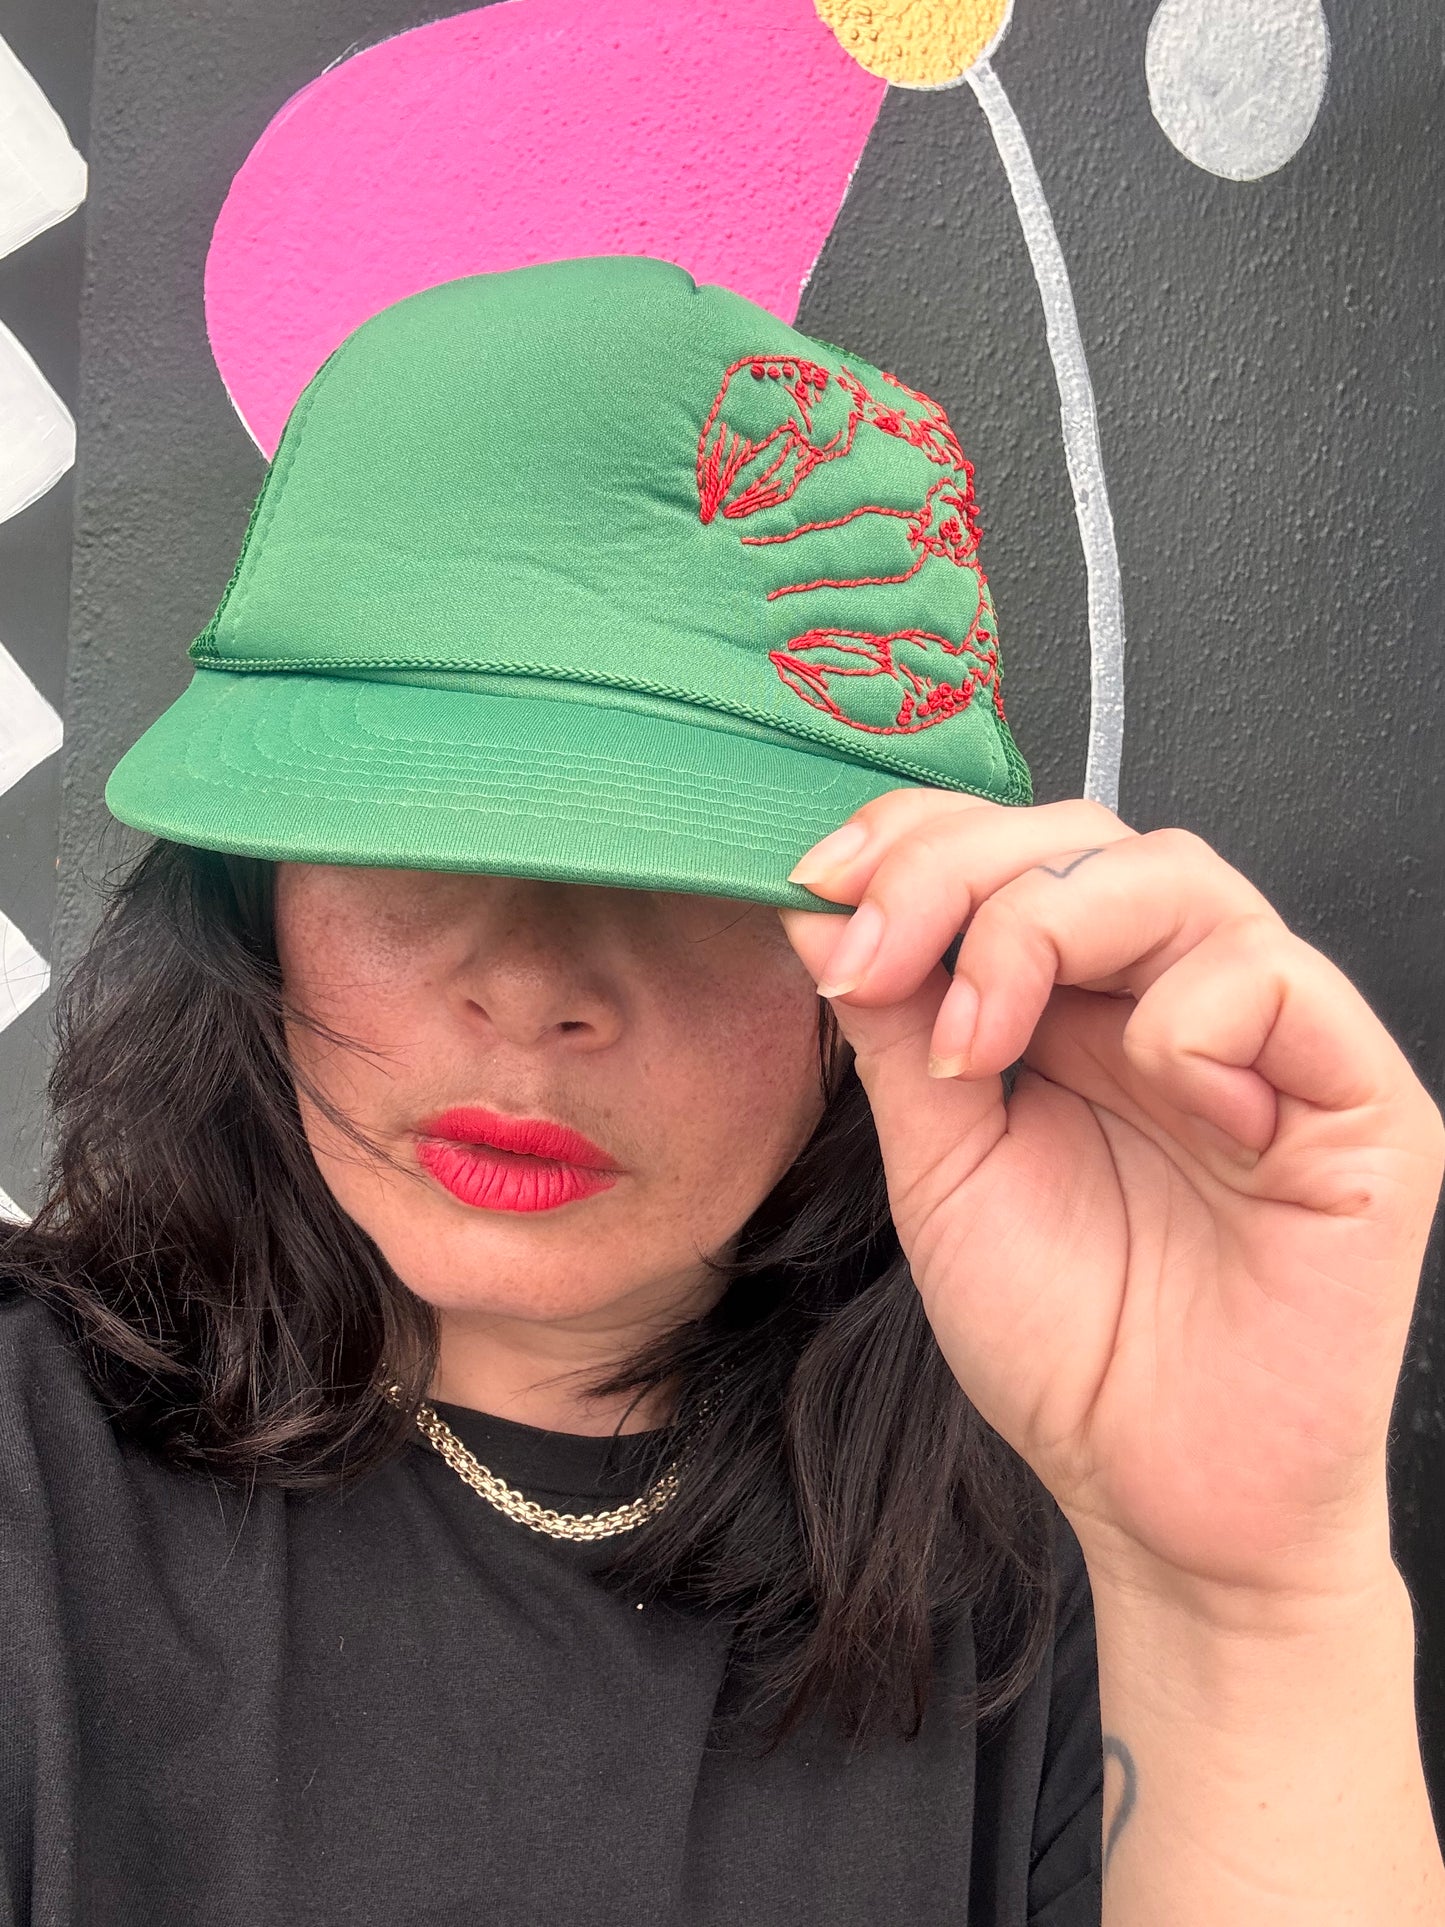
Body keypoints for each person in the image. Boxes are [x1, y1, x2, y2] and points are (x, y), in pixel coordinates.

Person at [3, 254, 1442, 1927]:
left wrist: (1242, 1595)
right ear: (250, 897)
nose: (534, 990)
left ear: (887, 973)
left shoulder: (1044, 1575)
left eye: (697, 881)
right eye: (416, 825)